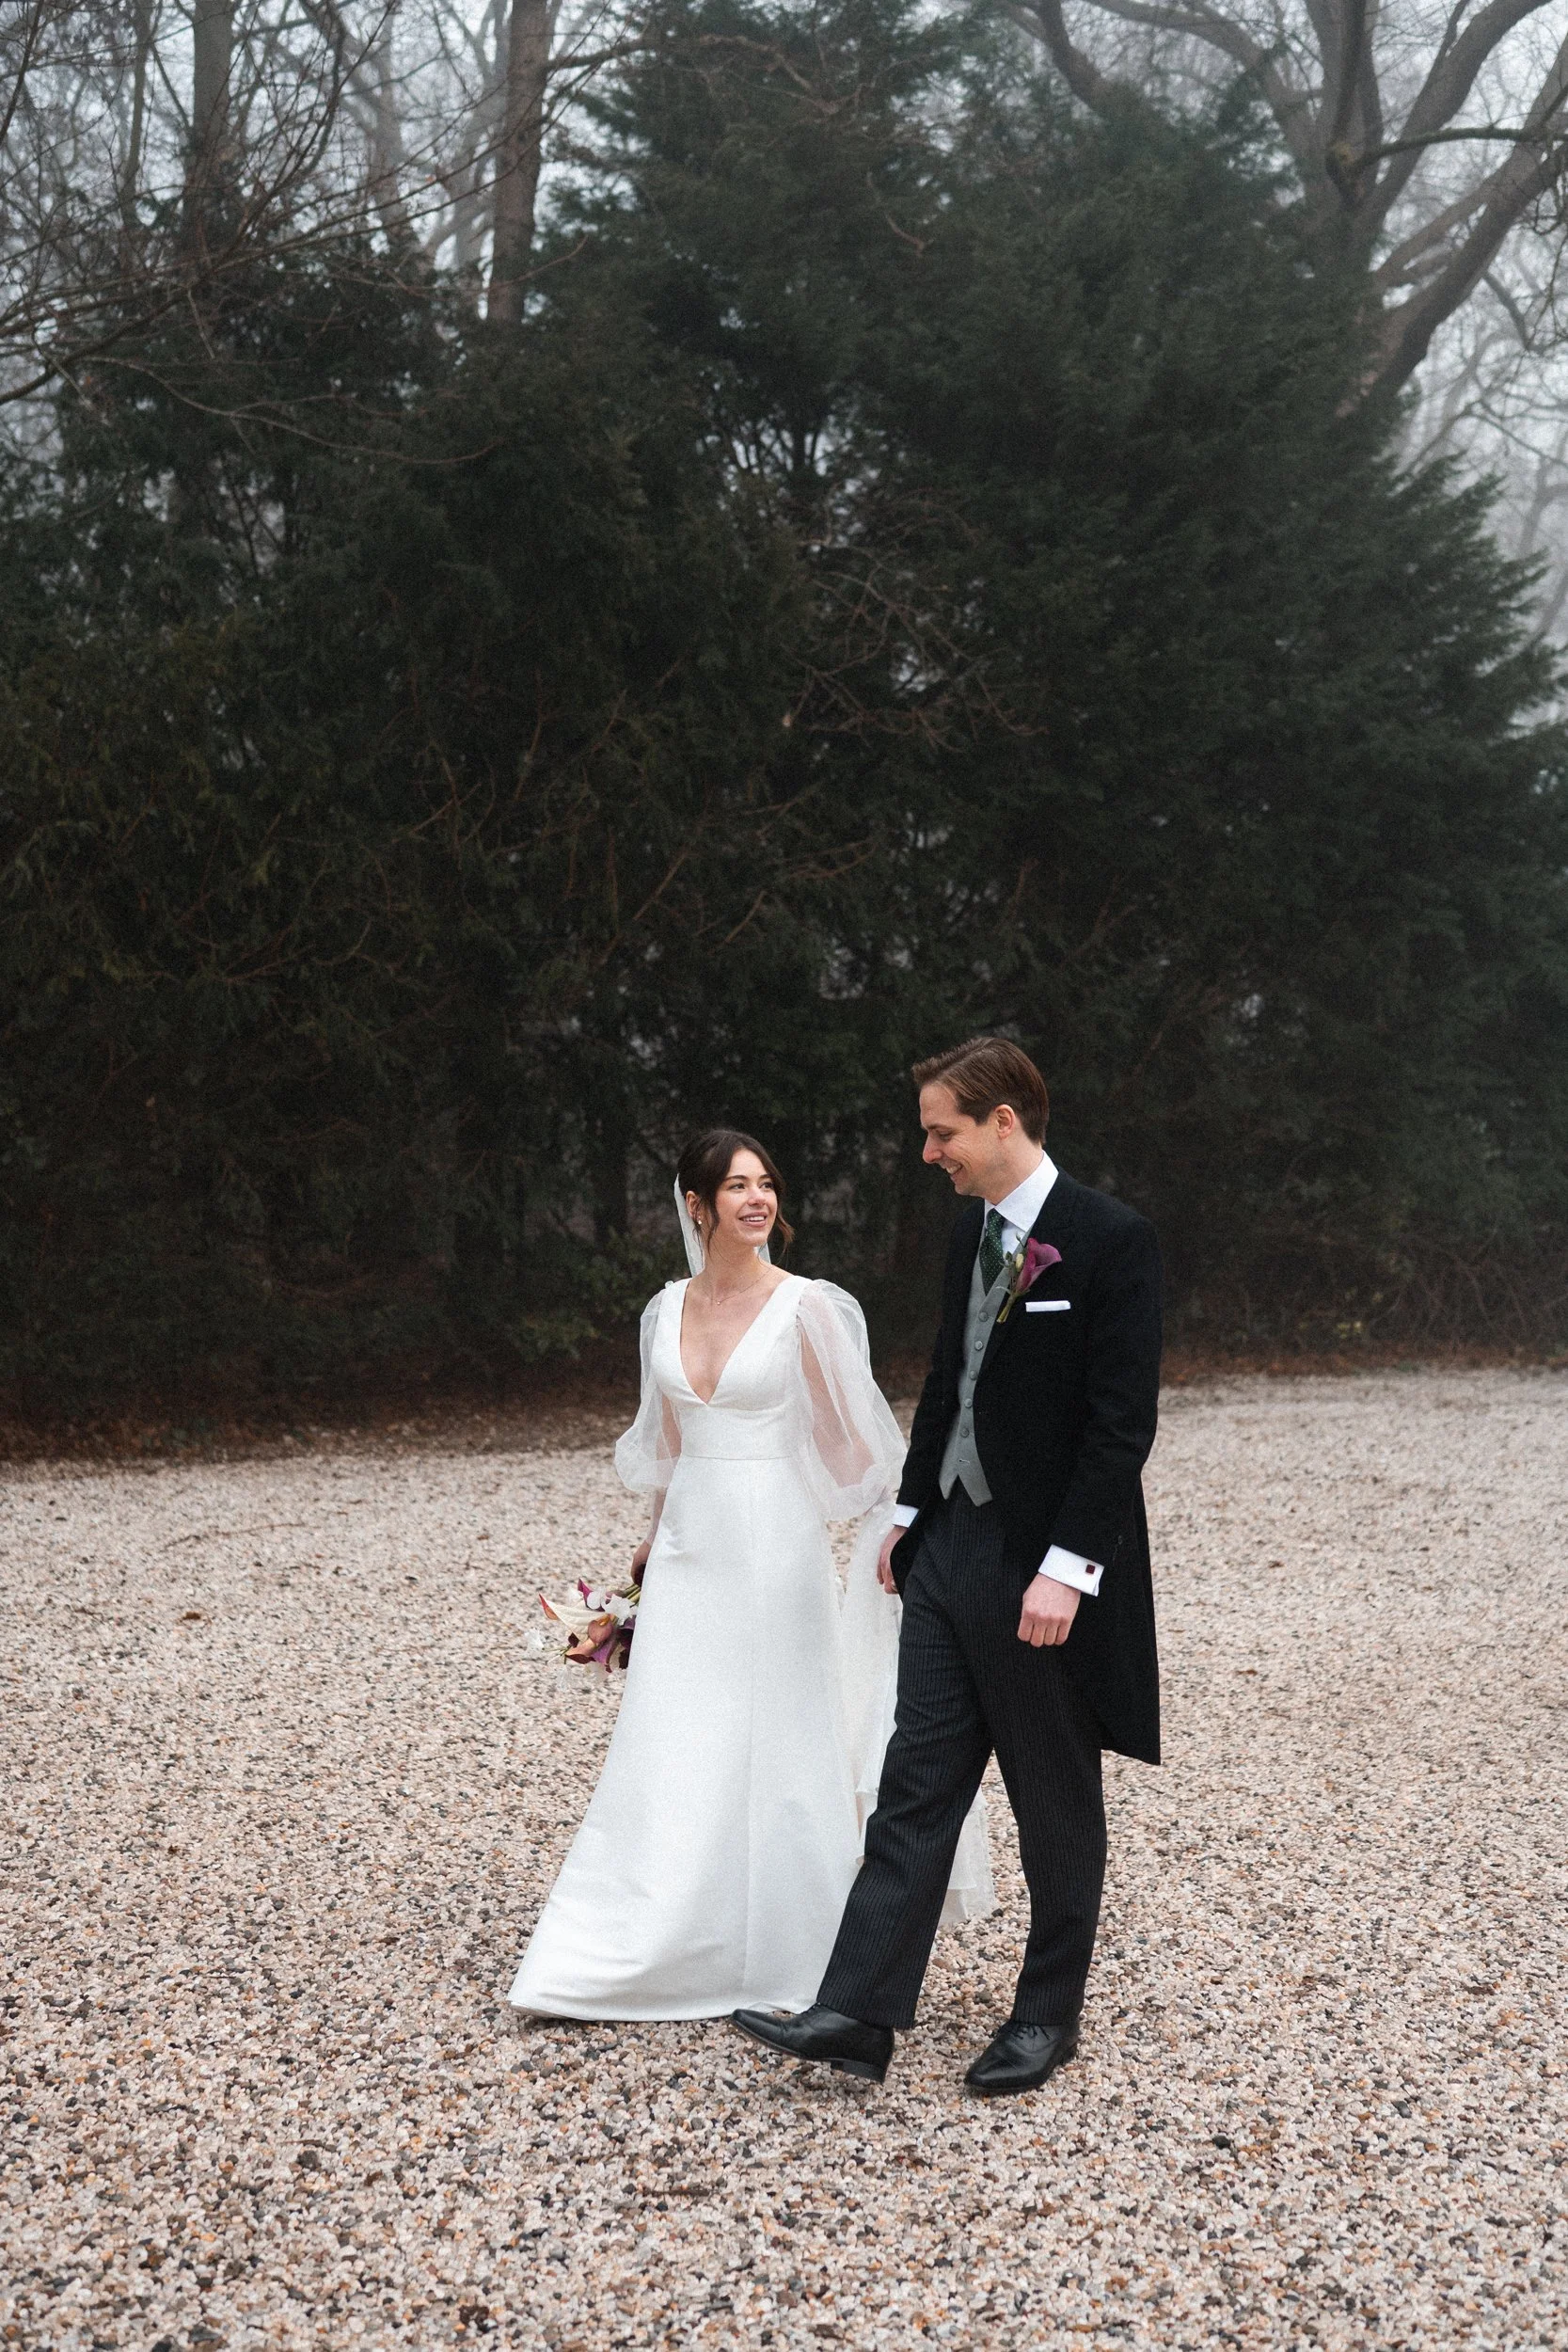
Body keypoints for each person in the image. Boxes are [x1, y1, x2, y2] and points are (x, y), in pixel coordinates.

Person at [733, 1038, 1163, 2093]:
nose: (928, 1152)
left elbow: (1119, 1426)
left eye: (942, 1132)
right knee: (914, 1782)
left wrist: (1068, 1568)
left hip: (1039, 1566)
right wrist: (908, 1513)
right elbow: (947, 1379)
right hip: (947, 1549)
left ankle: (1046, 2015)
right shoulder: (968, 1230)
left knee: (1051, 1797)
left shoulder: (1110, 1239)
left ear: (1003, 1121)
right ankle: (857, 2010)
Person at [507, 1128, 991, 2022]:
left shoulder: (808, 1308)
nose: (758, 1198)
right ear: (697, 1205)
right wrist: (650, 1545)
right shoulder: (664, 1309)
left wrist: (892, 1531)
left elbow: (857, 1449)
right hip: (689, 1550)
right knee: (673, 1734)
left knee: (777, 1734)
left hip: (773, 1547)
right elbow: (669, 1443)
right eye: (736, 1186)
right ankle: (627, 1945)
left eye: (765, 1183)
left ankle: (793, 1951)